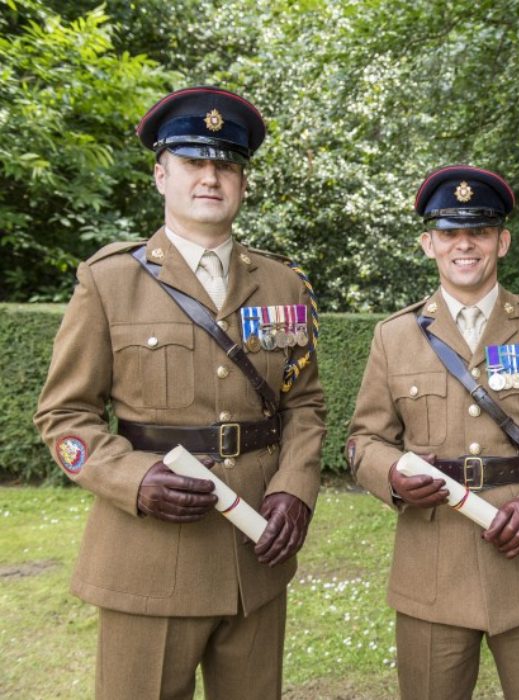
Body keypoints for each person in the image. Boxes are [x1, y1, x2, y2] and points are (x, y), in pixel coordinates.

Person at [34, 86, 327, 700]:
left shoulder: (283, 283)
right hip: (149, 557)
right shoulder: (110, 280)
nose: (211, 178)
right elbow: (65, 417)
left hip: (256, 554)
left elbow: (303, 404)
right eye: (195, 162)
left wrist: (295, 490)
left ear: (242, 183)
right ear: (161, 175)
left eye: (226, 165)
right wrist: (132, 479)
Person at [347, 164, 519, 699]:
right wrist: (393, 475)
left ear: (503, 241)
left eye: (480, 232)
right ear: (428, 244)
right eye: (448, 233)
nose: (463, 246)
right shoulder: (394, 337)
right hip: (433, 562)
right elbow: (361, 441)